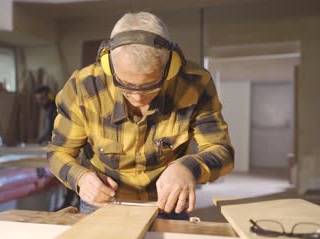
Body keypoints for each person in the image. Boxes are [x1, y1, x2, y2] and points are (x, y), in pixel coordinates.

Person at [47, 12, 234, 219]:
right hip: (101, 203)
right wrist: (81, 178)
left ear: (169, 68)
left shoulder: (195, 85)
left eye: (149, 87)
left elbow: (222, 151)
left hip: (166, 202)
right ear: (110, 66)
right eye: (126, 87)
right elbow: (58, 152)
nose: (137, 98)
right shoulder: (83, 88)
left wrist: (189, 167)